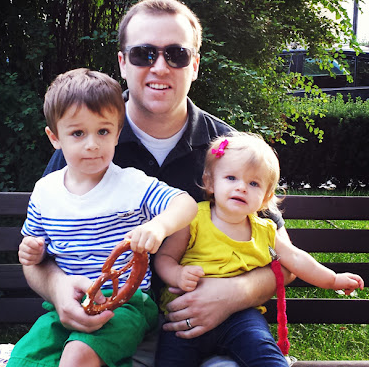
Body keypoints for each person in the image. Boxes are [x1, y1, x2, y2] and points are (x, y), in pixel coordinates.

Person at [18, 0, 294, 366]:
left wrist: (232, 295)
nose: (160, 67)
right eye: (143, 54)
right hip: (104, 329)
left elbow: (284, 258)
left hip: (208, 337)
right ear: (122, 63)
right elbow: (36, 252)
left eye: (177, 54)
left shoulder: (231, 152)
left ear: (194, 65)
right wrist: (57, 288)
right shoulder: (83, 145)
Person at [9, 68, 198, 367]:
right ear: (55, 137)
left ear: (117, 134)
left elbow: (185, 204)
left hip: (127, 303)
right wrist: (31, 252)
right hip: (66, 304)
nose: (92, 144)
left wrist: (158, 226)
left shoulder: (132, 184)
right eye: (78, 133)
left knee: (79, 355)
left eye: (103, 131)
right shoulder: (45, 192)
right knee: (24, 358)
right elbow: (35, 251)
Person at [154, 132, 365, 367]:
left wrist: (333, 279)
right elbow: (165, 257)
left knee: (265, 353)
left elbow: (295, 258)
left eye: (253, 183)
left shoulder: (265, 231)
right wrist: (177, 274)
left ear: (266, 197)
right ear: (210, 182)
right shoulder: (193, 218)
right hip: (186, 314)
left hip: (240, 316)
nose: (241, 187)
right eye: (231, 178)